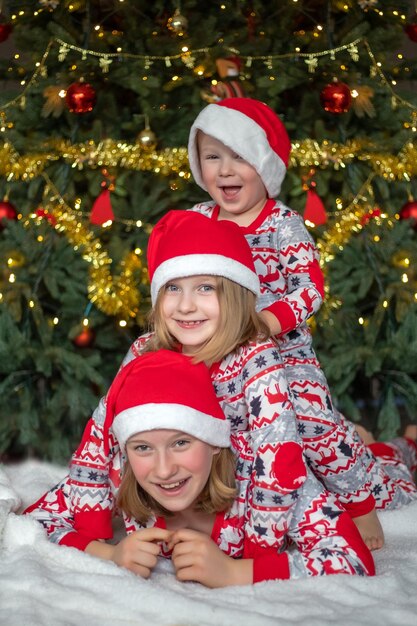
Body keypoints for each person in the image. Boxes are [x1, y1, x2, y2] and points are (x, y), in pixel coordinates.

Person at [185, 96, 417, 546]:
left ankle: (368, 496)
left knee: (315, 427)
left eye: (241, 157)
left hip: (283, 353)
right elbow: (176, 272)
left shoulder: (283, 225)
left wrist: (266, 323)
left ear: (266, 166)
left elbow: (309, 289)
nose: (225, 170)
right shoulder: (199, 220)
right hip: (218, 356)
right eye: (213, 157)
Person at [25, 349, 375, 584]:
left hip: (348, 474)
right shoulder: (118, 472)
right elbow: (36, 519)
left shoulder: (268, 477)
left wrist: (235, 572)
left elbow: (354, 558)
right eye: (144, 448)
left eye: (181, 443)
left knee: (390, 477)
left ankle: (387, 444)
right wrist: (110, 553)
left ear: (214, 441)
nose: (163, 470)